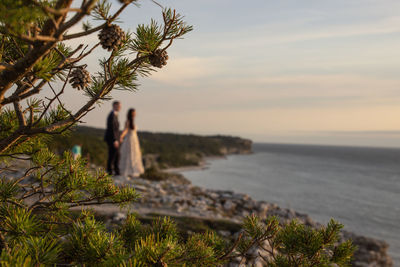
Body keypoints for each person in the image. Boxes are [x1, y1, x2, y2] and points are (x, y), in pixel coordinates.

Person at [119, 108, 144, 178]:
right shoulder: (128, 121)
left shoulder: (132, 121)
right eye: (134, 113)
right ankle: (127, 171)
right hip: (129, 140)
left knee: (134, 155)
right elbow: (125, 130)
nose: (135, 114)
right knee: (128, 155)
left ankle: (133, 171)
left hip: (134, 140)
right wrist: (121, 136)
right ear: (131, 114)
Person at [104, 101, 121, 175]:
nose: (120, 107)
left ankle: (116, 171)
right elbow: (112, 129)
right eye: (119, 106)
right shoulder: (111, 115)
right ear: (114, 106)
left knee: (116, 155)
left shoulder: (115, 115)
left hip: (114, 139)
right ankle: (110, 171)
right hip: (111, 139)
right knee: (112, 155)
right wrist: (115, 140)